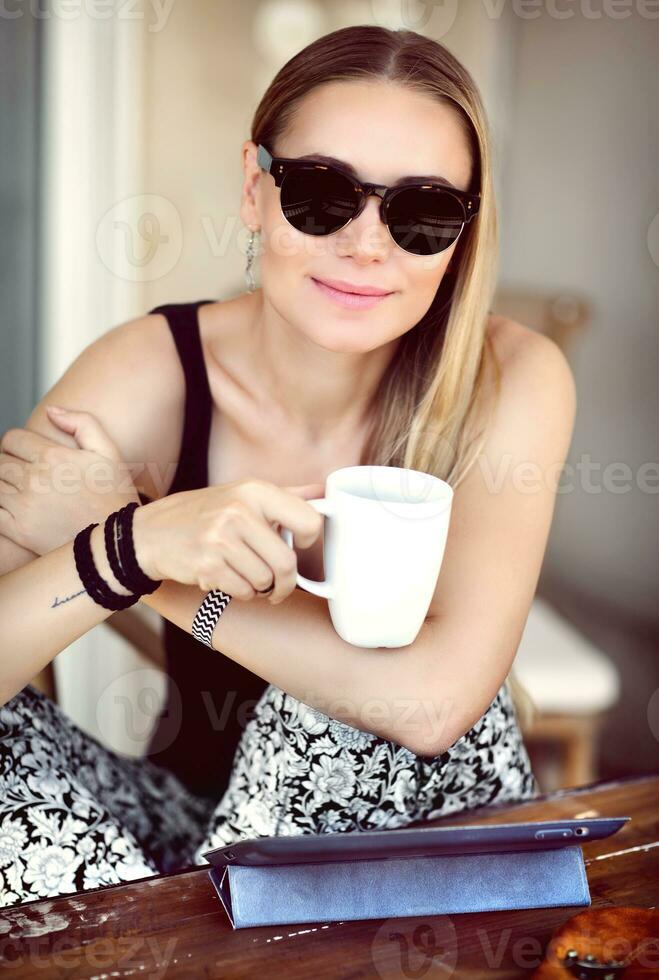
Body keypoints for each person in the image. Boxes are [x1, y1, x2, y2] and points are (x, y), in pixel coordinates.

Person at [0, 24, 576, 907]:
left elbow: (432, 708)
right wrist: (118, 549)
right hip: (181, 830)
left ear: (462, 233)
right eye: (320, 193)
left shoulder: (513, 379)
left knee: (366, 693)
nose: (367, 245)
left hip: (408, 860)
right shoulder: (146, 372)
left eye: (421, 213)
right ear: (254, 190)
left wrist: (140, 556)